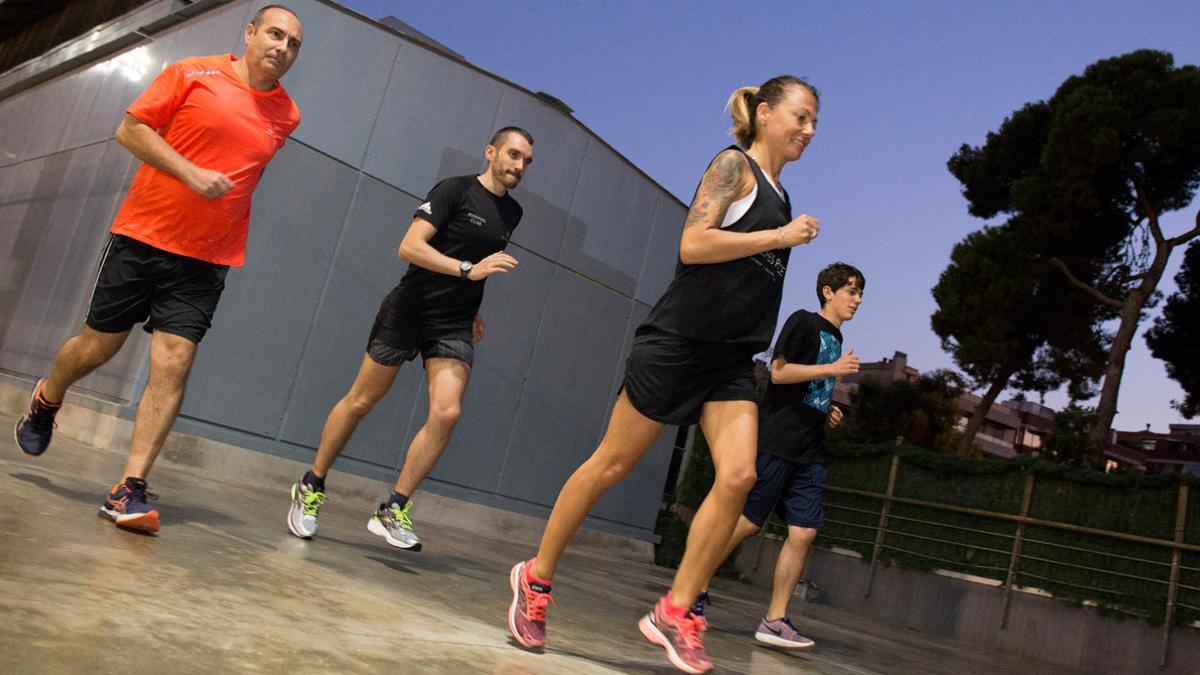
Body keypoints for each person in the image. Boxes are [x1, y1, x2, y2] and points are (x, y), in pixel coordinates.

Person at [507, 76, 821, 673]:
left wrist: (778, 232)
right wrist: (780, 236)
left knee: (739, 475)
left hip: (732, 359)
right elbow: (694, 244)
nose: (808, 131)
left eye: (814, 124)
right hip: (679, 343)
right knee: (612, 464)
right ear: (764, 112)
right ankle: (535, 577)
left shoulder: (780, 192)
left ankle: (675, 610)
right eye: (800, 117)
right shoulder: (734, 168)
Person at [13, 5, 303, 534]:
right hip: (143, 237)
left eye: (293, 44)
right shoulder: (192, 72)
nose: (282, 48)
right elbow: (130, 132)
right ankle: (48, 395)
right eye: (275, 34)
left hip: (208, 257)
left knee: (175, 360)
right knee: (99, 346)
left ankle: (130, 488)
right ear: (250, 33)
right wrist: (190, 173)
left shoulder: (287, 114)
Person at [285, 128, 533, 551]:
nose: (519, 166)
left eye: (527, 161)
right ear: (490, 151)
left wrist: (471, 304)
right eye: (513, 155)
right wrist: (466, 271)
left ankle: (393, 508)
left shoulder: (513, 213)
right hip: (409, 310)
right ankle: (311, 485)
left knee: (447, 412)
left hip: (453, 323)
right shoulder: (454, 191)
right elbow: (409, 247)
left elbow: (474, 265)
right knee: (362, 400)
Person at [692, 262, 864, 651]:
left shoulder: (835, 336)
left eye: (860, 293)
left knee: (804, 532)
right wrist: (832, 368)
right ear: (828, 292)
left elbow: (807, 386)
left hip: (811, 449)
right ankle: (693, 588)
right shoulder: (803, 322)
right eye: (851, 291)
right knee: (746, 523)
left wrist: (827, 407)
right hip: (777, 442)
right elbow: (781, 372)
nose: (858, 299)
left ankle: (775, 620)